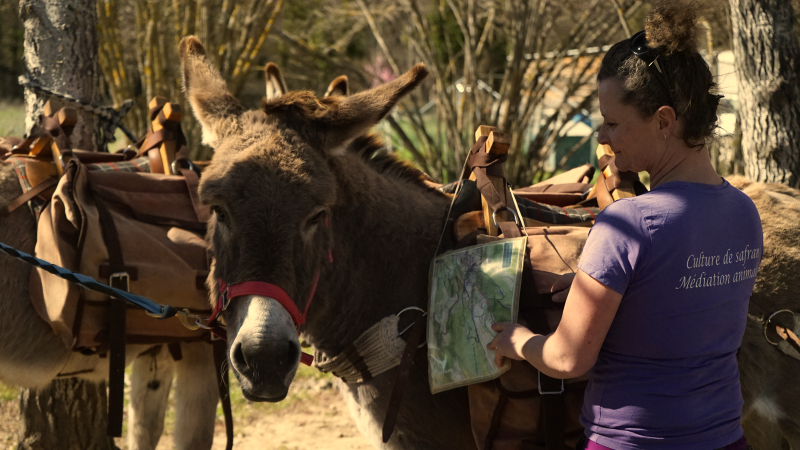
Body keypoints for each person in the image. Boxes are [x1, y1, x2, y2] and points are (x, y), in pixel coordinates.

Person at [487, 1, 763, 449]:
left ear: (664, 121)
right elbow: (681, 308)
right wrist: (606, 286)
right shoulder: (744, 211)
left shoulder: (629, 224)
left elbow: (568, 358)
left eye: (613, 122)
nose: (602, 137)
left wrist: (520, 341)